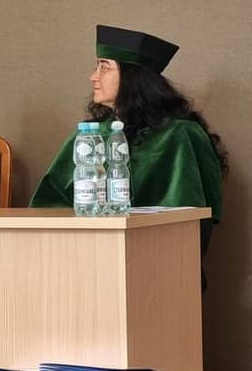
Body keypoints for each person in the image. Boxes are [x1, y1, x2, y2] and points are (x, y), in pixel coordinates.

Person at [30, 25, 226, 267]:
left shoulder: (179, 135)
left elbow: (195, 220)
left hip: (158, 262)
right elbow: (49, 204)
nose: (93, 77)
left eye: (104, 67)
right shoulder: (90, 136)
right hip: (85, 259)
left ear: (134, 77)